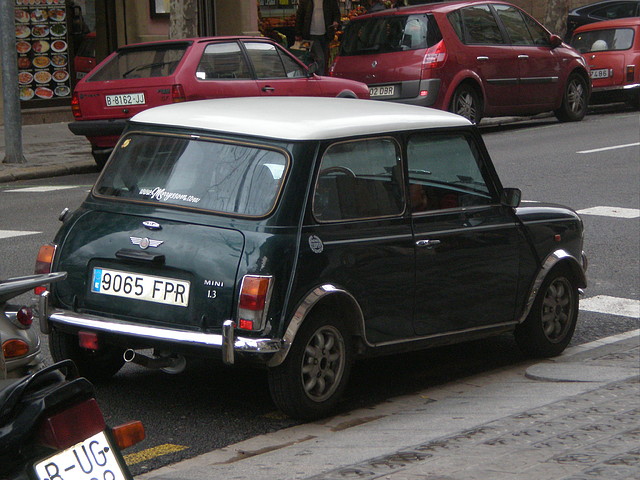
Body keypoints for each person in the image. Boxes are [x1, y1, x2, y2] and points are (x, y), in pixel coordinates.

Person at [295, 0, 341, 75]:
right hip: (311, 35)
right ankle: (320, 79)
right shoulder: (305, 2)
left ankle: (316, 75)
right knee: (320, 58)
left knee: (324, 59)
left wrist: (336, 21)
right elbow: (299, 16)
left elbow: (336, 13)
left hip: (326, 35)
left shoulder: (330, 1)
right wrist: (298, 33)